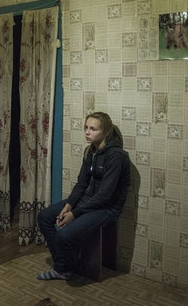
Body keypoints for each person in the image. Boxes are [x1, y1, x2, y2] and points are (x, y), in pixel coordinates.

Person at [37, 112, 130, 280]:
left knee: (63, 235)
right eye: (86, 128)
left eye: (93, 129)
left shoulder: (116, 156)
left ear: (106, 132)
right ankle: (67, 265)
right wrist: (69, 205)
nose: (87, 132)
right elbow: (82, 183)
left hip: (108, 207)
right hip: (89, 200)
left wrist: (74, 214)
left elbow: (104, 195)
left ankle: (63, 268)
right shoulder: (91, 151)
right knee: (44, 216)